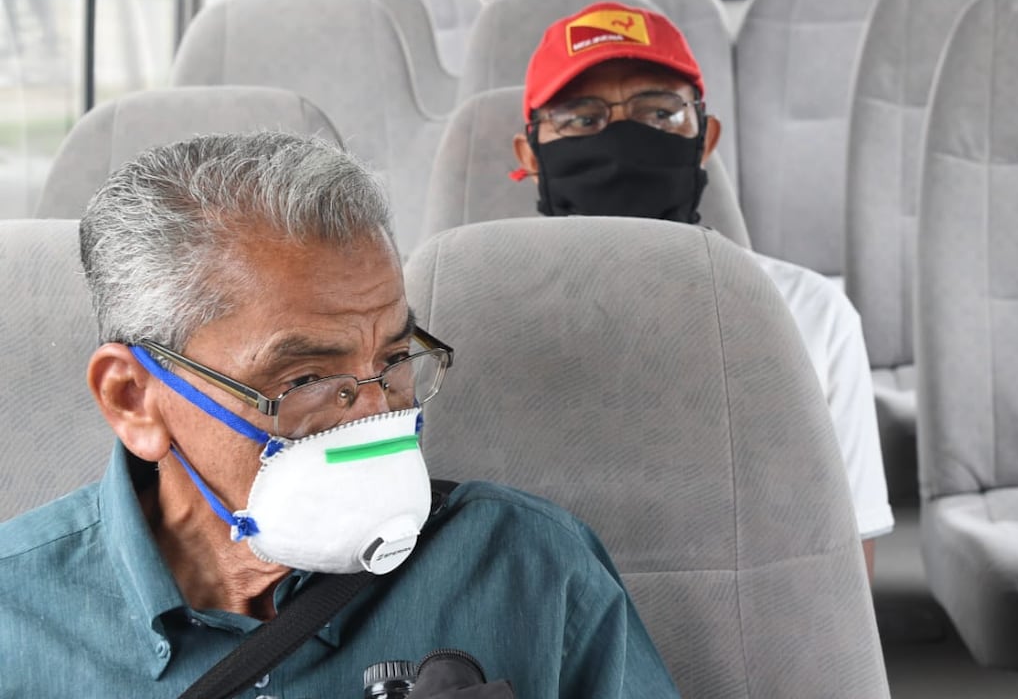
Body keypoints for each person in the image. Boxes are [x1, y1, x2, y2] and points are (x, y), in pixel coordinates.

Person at [0, 132, 679, 697]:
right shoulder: (16, 621)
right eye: (305, 379)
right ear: (133, 398)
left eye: (392, 361)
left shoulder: (528, 568)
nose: (377, 418)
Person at [511, 1, 893, 577]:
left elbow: (847, 570)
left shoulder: (809, 316)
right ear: (529, 155)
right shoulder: (470, 323)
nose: (620, 139)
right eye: (581, 119)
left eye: (658, 113)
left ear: (704, 137)